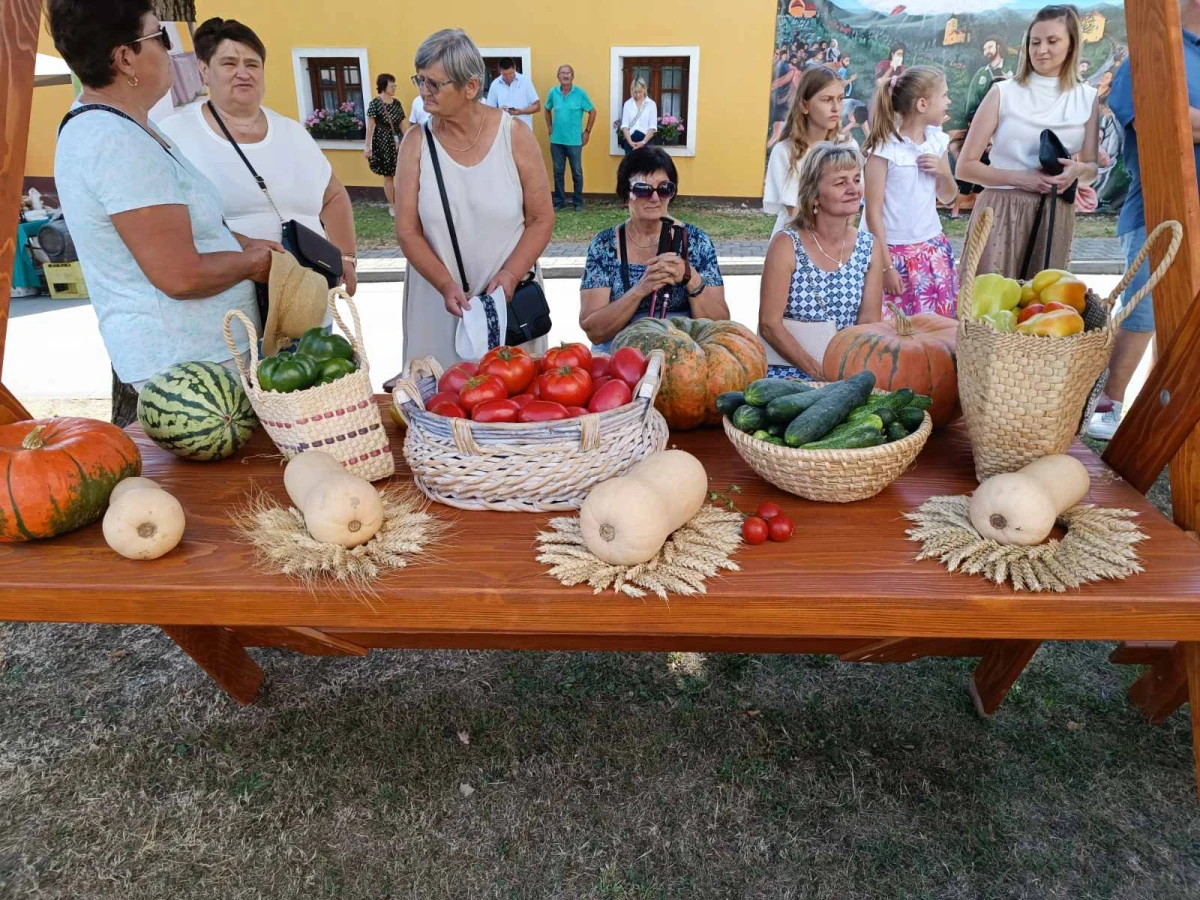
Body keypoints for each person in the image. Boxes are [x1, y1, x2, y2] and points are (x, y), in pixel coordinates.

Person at [49, 0, 272, 410]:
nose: (170, 50)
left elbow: (185, 229)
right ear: (125, 58)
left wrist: (241, 241)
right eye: (160, 36)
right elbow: (180, 275)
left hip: (205, 361)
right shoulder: (114, 142)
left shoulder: (125, 127)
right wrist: (257, 264)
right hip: (192, 373)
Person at [162, 17, 358, 299]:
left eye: (252, 64)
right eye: (229, 64)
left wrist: (347, 257)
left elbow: (334, 196)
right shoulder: (174, 134)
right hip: (230, 307)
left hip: (306, 302)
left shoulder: (292, 132)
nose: (243, 73)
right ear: (204, 70)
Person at [395, 29, 554, 367]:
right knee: (440, 406)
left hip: (508, 306)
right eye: (419, 80)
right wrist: (444, 284)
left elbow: (541, 219)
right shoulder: (415, 144)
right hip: (439, 305)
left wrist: (510, 275)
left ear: (470, 87)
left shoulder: (515, 137)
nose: (424, 92)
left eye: (434, 84)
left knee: (513, 406)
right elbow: (407, 230)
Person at [1088, 0, 1200, 439]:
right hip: (1158, 207)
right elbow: (1160, 118)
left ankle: (1176, 405)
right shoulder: (1152, 53)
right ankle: (1107, 403)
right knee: (1144, 307)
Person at [956, 5, 1099, 279]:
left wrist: (1077, 172)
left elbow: (1091, 168)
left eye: (1052, 41)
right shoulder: (1003, 92)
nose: (1041, 49)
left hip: (1055, 212)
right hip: (1001, 209)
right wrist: (1023, 179)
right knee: (987, 312)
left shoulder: (1088, 98)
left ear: (1071, 45)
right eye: (1035, 42)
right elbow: (965, 167)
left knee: (1044, 311)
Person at [579, 147, 728, 352]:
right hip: (621, 356)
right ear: (625, 195)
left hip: (685, 357)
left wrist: (690, 277)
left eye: (664, 188)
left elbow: (720, 326)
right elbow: (594, 330)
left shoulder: (697, 241)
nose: (655, 198)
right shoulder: (605, 245)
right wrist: (640, 289)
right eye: (643, 189)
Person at [759, 142, 885, 379]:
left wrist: (846, 378)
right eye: (840, 182)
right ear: (814, 195)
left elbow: (868, 324)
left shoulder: (869, 247)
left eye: (857, 180)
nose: (853, 189)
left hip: (844, 372)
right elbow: (769, 325)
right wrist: (818, 372)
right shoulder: (786, 244)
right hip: (788, 373)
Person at [863, 66, 959, 319]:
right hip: (892, 255)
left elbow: (949, 197)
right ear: (923, 104)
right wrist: (885, 268)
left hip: (931, 252)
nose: (949, 102)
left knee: (934, 328)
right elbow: (873, 213)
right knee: (893, 331)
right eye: (945, 96)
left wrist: (943, 172)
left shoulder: (937, 142)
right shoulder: (884, 150)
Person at [764, 67, 853, 235]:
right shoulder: (785, 152)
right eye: (827, 100)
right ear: (805, 105)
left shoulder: (847, 147)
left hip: (837, 241)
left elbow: (851, 208)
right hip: (796, 241)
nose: (836, 108)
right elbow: (795, 212)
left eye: (840, 99)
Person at [544, 64, 596, 211]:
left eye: (568, 73)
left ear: (572, 76)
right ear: (558, 76)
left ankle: (578, 202)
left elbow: (592, 112)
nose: (565, 76)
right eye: (562, 73)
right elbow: (546, 109)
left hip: (574, 141)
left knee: (577, 173)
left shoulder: (580, 93)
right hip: (556, 141)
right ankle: (559, 201)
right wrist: (549, 127)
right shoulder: (553, 92)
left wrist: (587, 131)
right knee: (558, 172)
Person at [364, 73, 407, 218]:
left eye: (395, 85)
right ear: (383, 86)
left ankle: (402, 203)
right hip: (382, 141)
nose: (394, 87)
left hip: (397, 142)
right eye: (392, 85)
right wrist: (367, 146)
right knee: (388, 175)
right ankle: (392, 205)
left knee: (402, 173)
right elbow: (370, 126)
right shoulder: (375, 103)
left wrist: (407, 141)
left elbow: (402, 124)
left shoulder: (397, 103)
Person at [484, 57, 540, 131]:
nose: (508, 77)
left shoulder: (525, 81)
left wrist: (521, 111)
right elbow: (488, 110)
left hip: (524, 131)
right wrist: (499, 111)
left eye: (510, 73)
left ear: (515, 69)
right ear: (500, 71)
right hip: (503, 131)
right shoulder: (495, 84)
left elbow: (537, 106)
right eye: (504, 74)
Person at [965, 36, 1011, 126]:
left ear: (998, 47)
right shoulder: (981, 73)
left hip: (1009, 121)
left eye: (990, 47)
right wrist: (971, 119)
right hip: (985, 123)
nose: (987, 51)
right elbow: (972, 99)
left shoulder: (1012, 67)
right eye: (984, 49)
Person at [619, 77, 657, 154]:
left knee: (646, 166)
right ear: (632, 90)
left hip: (646, 142)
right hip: (630, 141)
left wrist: (643, 142)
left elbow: (652, 127)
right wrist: (630, 143)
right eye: (635, 92)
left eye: (640, 92)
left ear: (645, 89)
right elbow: (624, 126)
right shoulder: (628, 104)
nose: (637, 95)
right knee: (630, 166)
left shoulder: (651, 104)